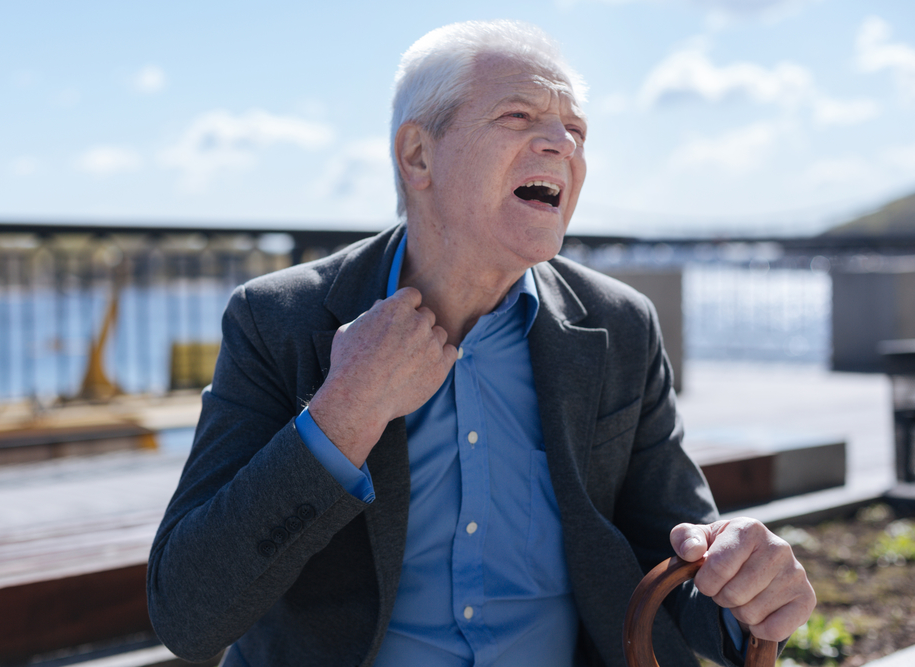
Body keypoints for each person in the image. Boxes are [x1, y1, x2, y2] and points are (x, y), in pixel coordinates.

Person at [147, 20, 815, 667]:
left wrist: (744, 593)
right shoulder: (278, 320)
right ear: (418, 155)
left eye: (575, 129)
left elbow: (675, 551)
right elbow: (189, 612)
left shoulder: (620, 326)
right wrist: (344, 412)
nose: (561, 145)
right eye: (519, 117)